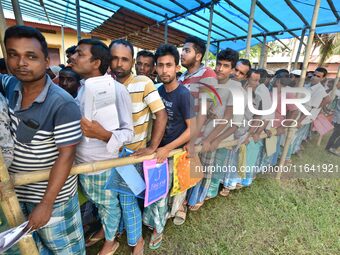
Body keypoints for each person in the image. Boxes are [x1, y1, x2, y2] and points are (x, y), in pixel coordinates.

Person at [1, 25, 84, 254]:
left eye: (31, 56)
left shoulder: (62, 103)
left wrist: (46, 204)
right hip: (16, 192)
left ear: (46, 61)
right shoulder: (9, 86)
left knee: (66, 250)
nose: (21, 63)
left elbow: (67, 156)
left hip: (51, 197)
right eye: (13, 54)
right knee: (31, 248)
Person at [70, 38, 134, 255]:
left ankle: (110, 241)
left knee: (108, 205)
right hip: (80, 163)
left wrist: (103, 134)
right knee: (97, 202)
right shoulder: (83, 87)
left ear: (96, 62)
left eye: (80, 54)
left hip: (102, 165)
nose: (73, 57)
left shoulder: (117, 90)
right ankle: (105, 230)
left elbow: (128, 132)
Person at [110, 39, 167, 255]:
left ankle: (137, 241)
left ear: (132, 62)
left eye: (124, 59)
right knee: (114, 199)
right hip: (109, 154)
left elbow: (160, 114)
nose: (119, 63)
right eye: (115, 58)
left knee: (127, 200)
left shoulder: (143, 82)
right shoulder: (107, 84)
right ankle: (119, 232)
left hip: (131, 155)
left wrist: (152, 146)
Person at [143, 44, 195, 250]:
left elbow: (192, 129)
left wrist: (167, 148)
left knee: (163, 193)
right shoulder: (157, 91)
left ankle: (159, 229)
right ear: (155, 68)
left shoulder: (183, 94)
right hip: (157, 150)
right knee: (155, 191)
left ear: (176, 67)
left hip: (173, 153)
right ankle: (154, 222)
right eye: (160, 65)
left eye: (169, 65)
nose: (164, 70)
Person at [178, 35, 218, 217]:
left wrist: (193, 140)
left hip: (199, 134)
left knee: (197, 169)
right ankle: (181, 203)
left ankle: (191, 202)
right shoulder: (183, 77)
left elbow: (204, 110)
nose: (182, 53)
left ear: (198, 56)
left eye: (187, 50)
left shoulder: (208, 75)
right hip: (184, 132)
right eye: (182, 50)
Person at [199, 48, 244, 199]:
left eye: (225, 66)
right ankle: (199, 195)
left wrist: (213, 139)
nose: (220, 68)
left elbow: (231, 120)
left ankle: (205, 196)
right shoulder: (210, 83)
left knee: (211, 171)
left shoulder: (236, 90)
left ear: (232, 70)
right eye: (218, 64)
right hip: (203, 134)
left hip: (219, 138)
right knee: (200, 169)